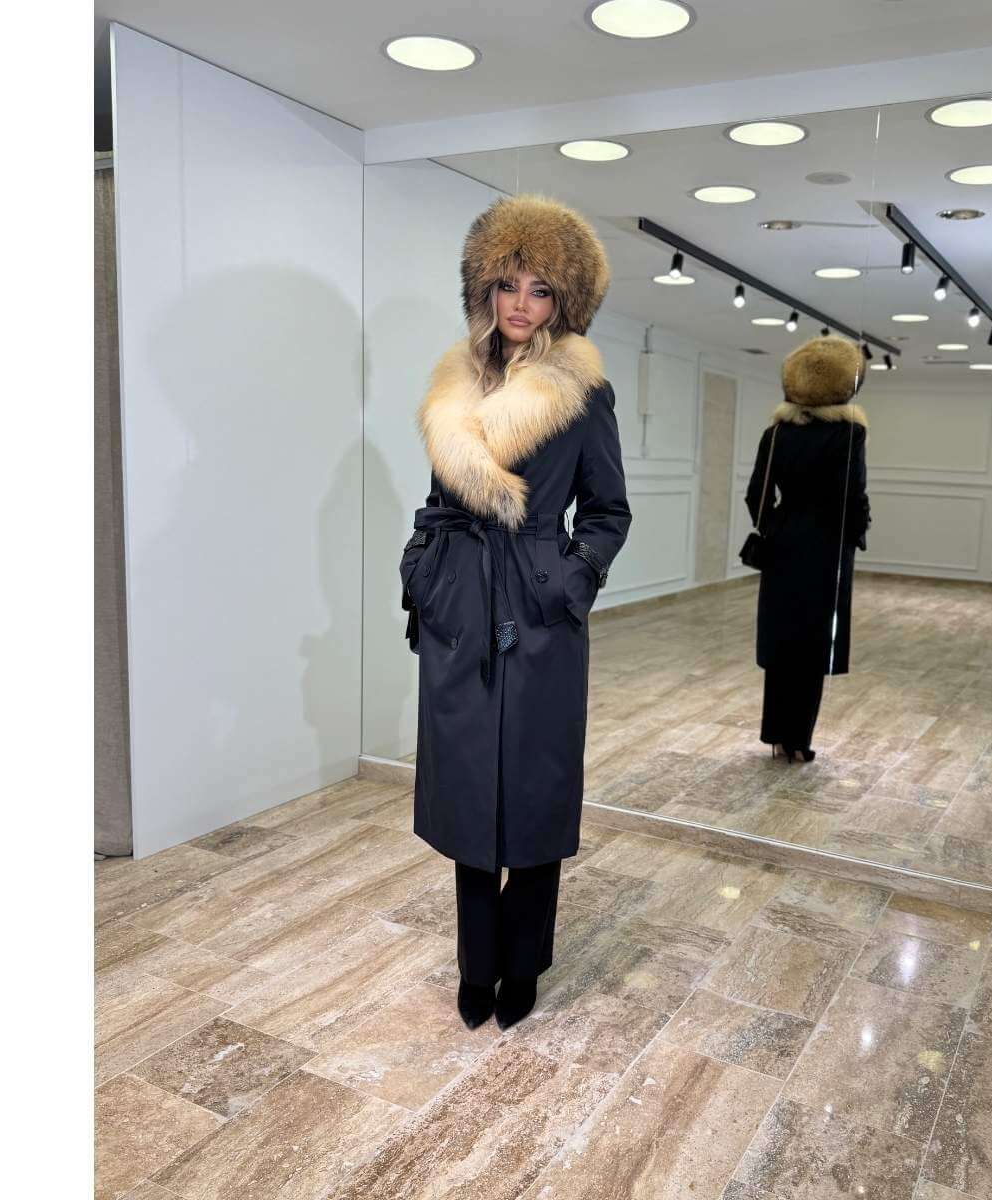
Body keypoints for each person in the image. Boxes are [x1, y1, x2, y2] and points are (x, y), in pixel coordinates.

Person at [398, 194, 631, 1031]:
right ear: (484, 291)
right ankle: (477, 965)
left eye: (539, 289)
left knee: (534, 788)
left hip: (538, 610)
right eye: (507, 285)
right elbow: (439, 503)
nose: (520, 304)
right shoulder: (454, 387)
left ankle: (523, 959)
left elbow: (607, 512)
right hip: (460, 605)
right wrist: (422, 572)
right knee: (467, 791)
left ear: (563, 302)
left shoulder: (583, 394)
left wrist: (567, 581)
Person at [745, 335, 871, 763]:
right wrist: (856, 534)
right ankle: (799, 741)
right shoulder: (850, 434)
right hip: (828, 548)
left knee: (782, 643)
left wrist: (775, 527)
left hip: (783, 546)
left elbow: (756, 495)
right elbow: (853, 495)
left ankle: (776, 737)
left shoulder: (776, 433)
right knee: (813, 647)